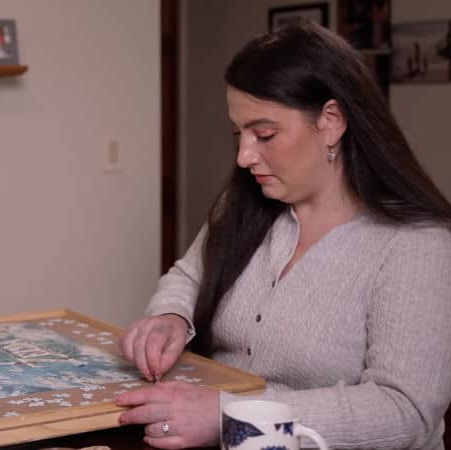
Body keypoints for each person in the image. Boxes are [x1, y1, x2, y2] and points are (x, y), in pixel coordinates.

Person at [116, 21, 451, 449]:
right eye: (239, 134)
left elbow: (405, 410)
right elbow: (189, 276)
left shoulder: (416, 243)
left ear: (331, 121)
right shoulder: (245, 203)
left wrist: (228, 416)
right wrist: (171, 317)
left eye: (265, 134)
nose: (244, 156)